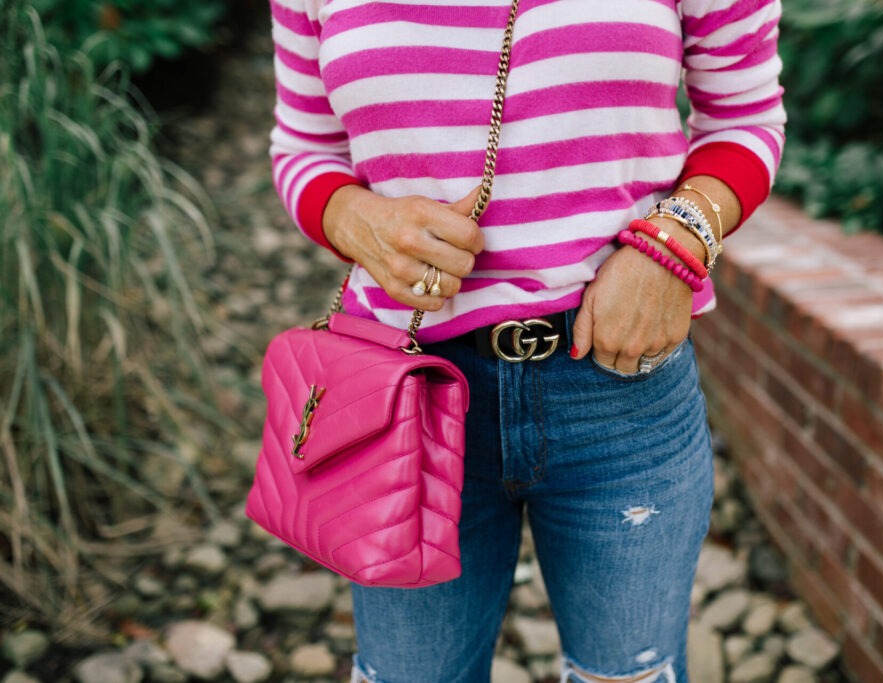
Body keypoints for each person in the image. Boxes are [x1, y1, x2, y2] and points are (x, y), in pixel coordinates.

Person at [266, 0, 785, 680]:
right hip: (403, 397)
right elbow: (303, 146)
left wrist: (675, 241)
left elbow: (745, 119)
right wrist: (355, 217)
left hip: (616, 387)